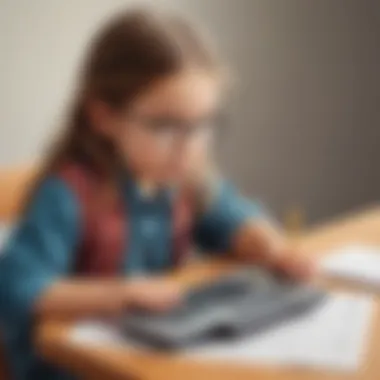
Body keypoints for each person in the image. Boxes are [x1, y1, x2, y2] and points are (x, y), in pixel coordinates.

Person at [0, 8, 314, 380]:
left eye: (202, 125)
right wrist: (120, 296)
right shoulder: (69, 194)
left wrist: (267, 243)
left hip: (147, 351)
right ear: (104, 118)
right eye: (166, 127)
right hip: (69, 365)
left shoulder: (183, 180)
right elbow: (16, 285)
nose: (189, 148)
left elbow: (229, 218)